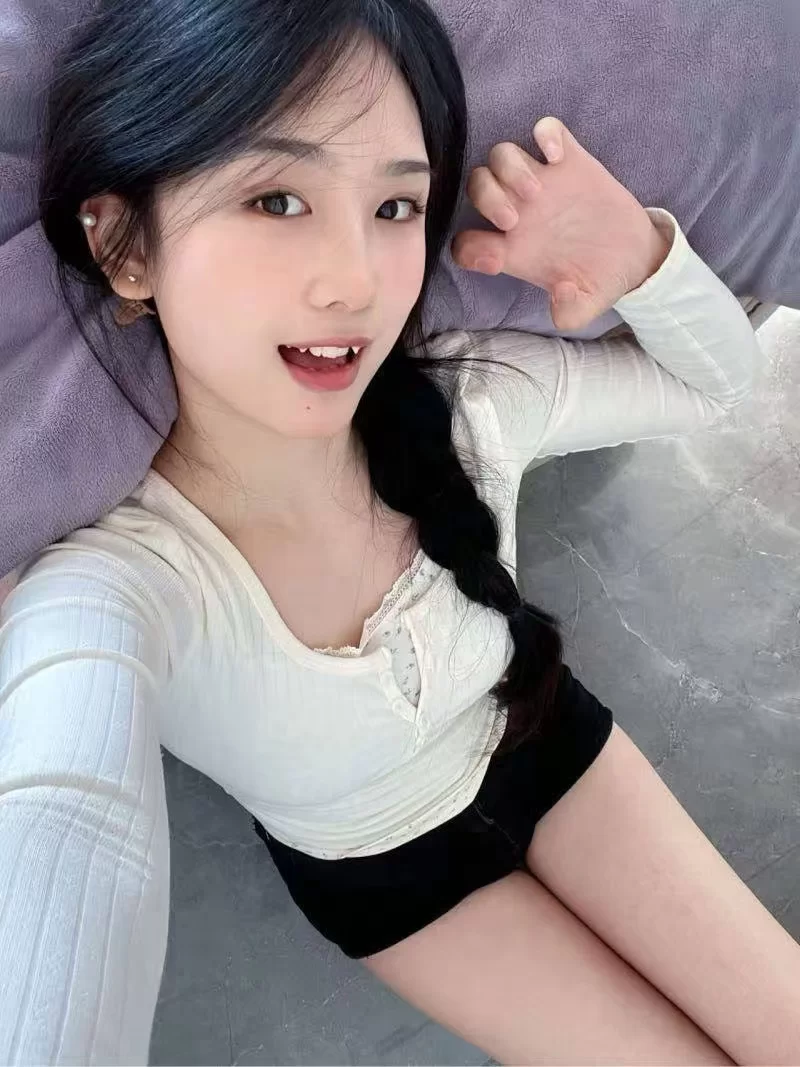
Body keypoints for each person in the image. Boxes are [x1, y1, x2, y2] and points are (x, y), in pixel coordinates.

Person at [1, 0, 798, 1063]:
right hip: (394, 880)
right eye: (276, 198)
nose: (356, 282)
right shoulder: (118, 579)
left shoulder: (466, 399)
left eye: (394, 207)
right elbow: (65, 816)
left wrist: (641, 258)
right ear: (122, 245)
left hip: (541, 728)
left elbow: (713, 386)